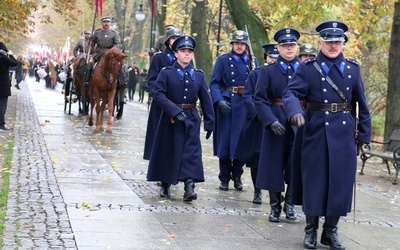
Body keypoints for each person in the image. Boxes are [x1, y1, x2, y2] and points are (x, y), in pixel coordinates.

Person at [282, 20, 372, 249]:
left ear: (344, 43)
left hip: (343, 135)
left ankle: (330, 232)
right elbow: (290, 93)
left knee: (340, 183)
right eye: (329, 41)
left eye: (337, 41)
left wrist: (364, 135)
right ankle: (311, 230)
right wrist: (294, 112)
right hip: (315, 132)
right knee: (314, 181)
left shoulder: (353, 69)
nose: (333, 46)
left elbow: (362, 104)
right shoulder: (308, 68)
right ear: (320, 42)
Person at [147, 35, 214, 202]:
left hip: (191, 117)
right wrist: (173, 110)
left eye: (189, 51)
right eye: (183, 51)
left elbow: (206, 98)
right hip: (170, 119)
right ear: (175, 53)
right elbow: (158, 93)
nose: (186, 54)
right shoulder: (166, 73)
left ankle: (189, 185)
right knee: (167, 151)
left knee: (191, 152)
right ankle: (165, 184)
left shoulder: (197, 75)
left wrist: (210, 122)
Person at [254, 28, 301, 223]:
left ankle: (290, 203)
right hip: (275, 119)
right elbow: (259, 98)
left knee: (295, 165)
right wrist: (270, 120)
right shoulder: (268, 70)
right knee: (273, 165)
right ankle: (275, 206)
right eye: (285, 45)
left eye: (292, 45)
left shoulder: (306, 70)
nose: (289, 49)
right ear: (278, 48)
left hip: (299, 122)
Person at [209, 30, 258, 191]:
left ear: (246, 45)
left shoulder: (253, 61)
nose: (239, 46)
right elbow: (214, 83)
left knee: (242, 142)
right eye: (236, 43)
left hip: (245, 104)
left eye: (242, 43)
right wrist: (218, 100)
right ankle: (224, 177)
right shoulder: (223, 60)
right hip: (227, 103)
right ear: (232, 44)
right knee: (225, 142)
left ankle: (237, 175)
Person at [234, 43, 278, 204]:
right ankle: (257, 190)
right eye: (272, 57)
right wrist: (260, 114)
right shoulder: (256, 74)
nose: (274, 60)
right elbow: (248, 96)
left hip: (277, 119)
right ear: (266, 57)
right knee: (255, 158)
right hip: (258, 122)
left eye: (276, 57)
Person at [143, 27, 184, 165]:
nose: (176, 41)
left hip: (179, 105)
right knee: (159, 138)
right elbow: (151, 81)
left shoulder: (185, 58)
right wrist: (161, 97)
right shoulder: (159, 58)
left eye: (179, 39)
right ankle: (159, 168)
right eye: (173, 38)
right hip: (162, 105)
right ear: (168, 41)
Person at [84, 16, 121, 86]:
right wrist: (91, 40)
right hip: (98, 53)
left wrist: (112, 50)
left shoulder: (114, 33)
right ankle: (87, 80)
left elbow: (117, 44)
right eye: (104, 22)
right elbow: (91, 44)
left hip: (110, 53)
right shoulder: (97, 32)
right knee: (89, 64)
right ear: (102, 23)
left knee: (119, 65)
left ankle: (120, 82)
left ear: (110, 23)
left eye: (107, 22)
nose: (106, 24)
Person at [0, 42, 17, 132]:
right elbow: (15, 63)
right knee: (2, 105)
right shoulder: (4, 58)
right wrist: (11, 55)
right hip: (3, 85)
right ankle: (1, 124)